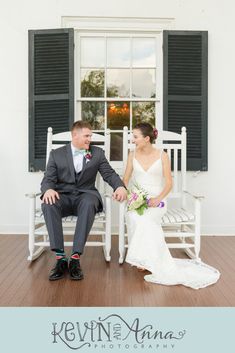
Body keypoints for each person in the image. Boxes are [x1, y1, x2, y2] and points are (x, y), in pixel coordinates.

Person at [123, 122, 220, 289]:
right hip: (137, 198)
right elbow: (125, 179)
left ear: (146, 138)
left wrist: (157, 198)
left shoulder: (163, 155)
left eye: (135, 136)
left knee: (147, 219)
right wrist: (124, 192)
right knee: (134, 216)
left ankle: (147, 259)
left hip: (158, 200)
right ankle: (144, 258)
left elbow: (169, 183)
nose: (133, 139)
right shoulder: (132, 155)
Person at [41, 120, 127, 281]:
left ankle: (74, 258)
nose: (90, 139)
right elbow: (48, 179)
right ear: (75, 135)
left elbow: (109, 174)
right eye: (87, 135)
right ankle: (60, 258)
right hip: (63, 196)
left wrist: (120, 187)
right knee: (48, 202)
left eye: (90, 135)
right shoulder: (56, 154)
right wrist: (48, 189)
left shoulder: (97, 153)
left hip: (86, 195)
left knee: (88, 203)